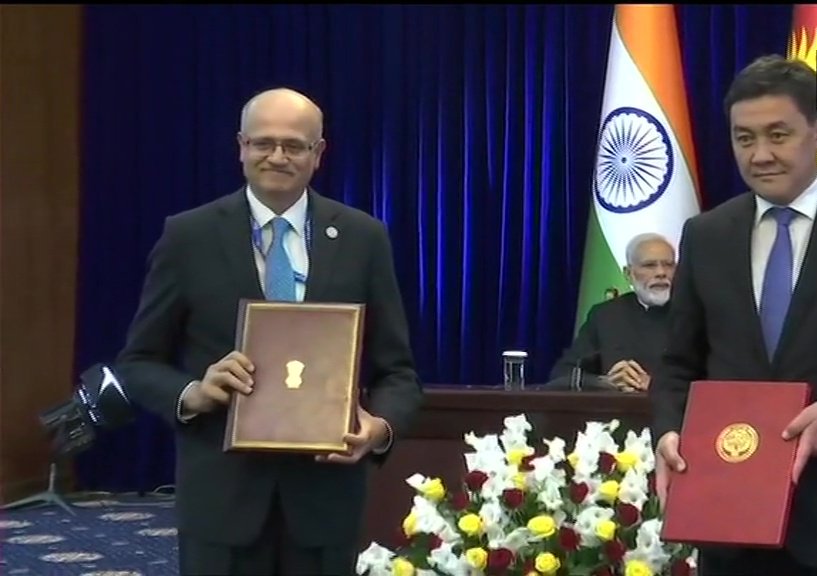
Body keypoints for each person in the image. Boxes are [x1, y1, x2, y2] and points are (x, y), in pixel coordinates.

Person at [115, 87, 424, 575]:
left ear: (318, 154)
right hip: (222, 502)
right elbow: (137, 363)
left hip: (325, 504)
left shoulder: (364, 237)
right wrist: (192, 393)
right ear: (241, 146)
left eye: (293, 145)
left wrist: (379, 428)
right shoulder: (188, 236)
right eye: (263, 143)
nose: (276, 156)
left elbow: (398, 372)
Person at [651, 54, 817, 576]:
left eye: (778, 134)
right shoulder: (707, 235)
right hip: (730, 528)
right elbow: (679, 363)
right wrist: (669, 431)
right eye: (744, 138)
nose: (760, 154)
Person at [548, 232, 675, 392]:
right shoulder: (606, 315)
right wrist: (605, 382)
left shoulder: (695, 314)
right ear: (628, 274)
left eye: (668, 264)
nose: (661, 273)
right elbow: (561, 375)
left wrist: (655, 384)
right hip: (613, 413)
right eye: (649, 265)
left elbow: (708, 381)